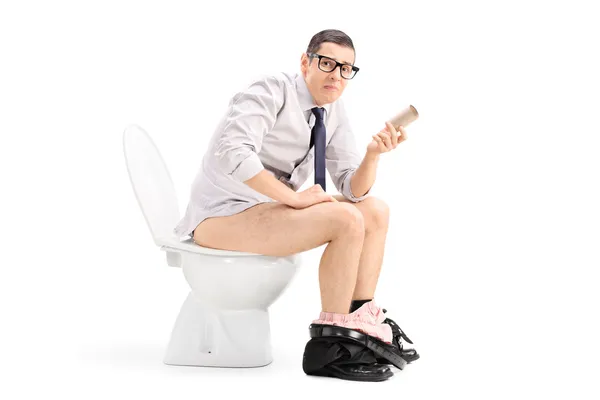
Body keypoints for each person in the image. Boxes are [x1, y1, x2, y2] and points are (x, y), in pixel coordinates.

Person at [173, 29, 418, 380]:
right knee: (345, 219)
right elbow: (234, 153)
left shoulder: (331, 110)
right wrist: (293, 198)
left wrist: (373, 156)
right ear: (306, 62)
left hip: (267, 211)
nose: (336, 74)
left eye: (346, 68)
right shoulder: (269, 90)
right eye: (327, 63)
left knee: (374, 211)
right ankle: (328, 348)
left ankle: (358, 323)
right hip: (221, 214)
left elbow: (353, 187)